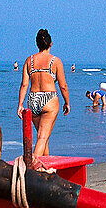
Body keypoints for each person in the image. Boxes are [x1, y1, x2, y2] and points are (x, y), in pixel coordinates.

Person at [17, 29, 69, 163]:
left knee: (43, 137)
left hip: (33, 98)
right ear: (51, 44)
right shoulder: (55, 61)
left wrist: (20, 105)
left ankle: (46, 170)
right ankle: (29, 168)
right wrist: (67, 102)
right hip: (49, 98)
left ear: (37, 44)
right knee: (42, 138)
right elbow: (63, 85)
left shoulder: (29, 60)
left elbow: (24, 85)